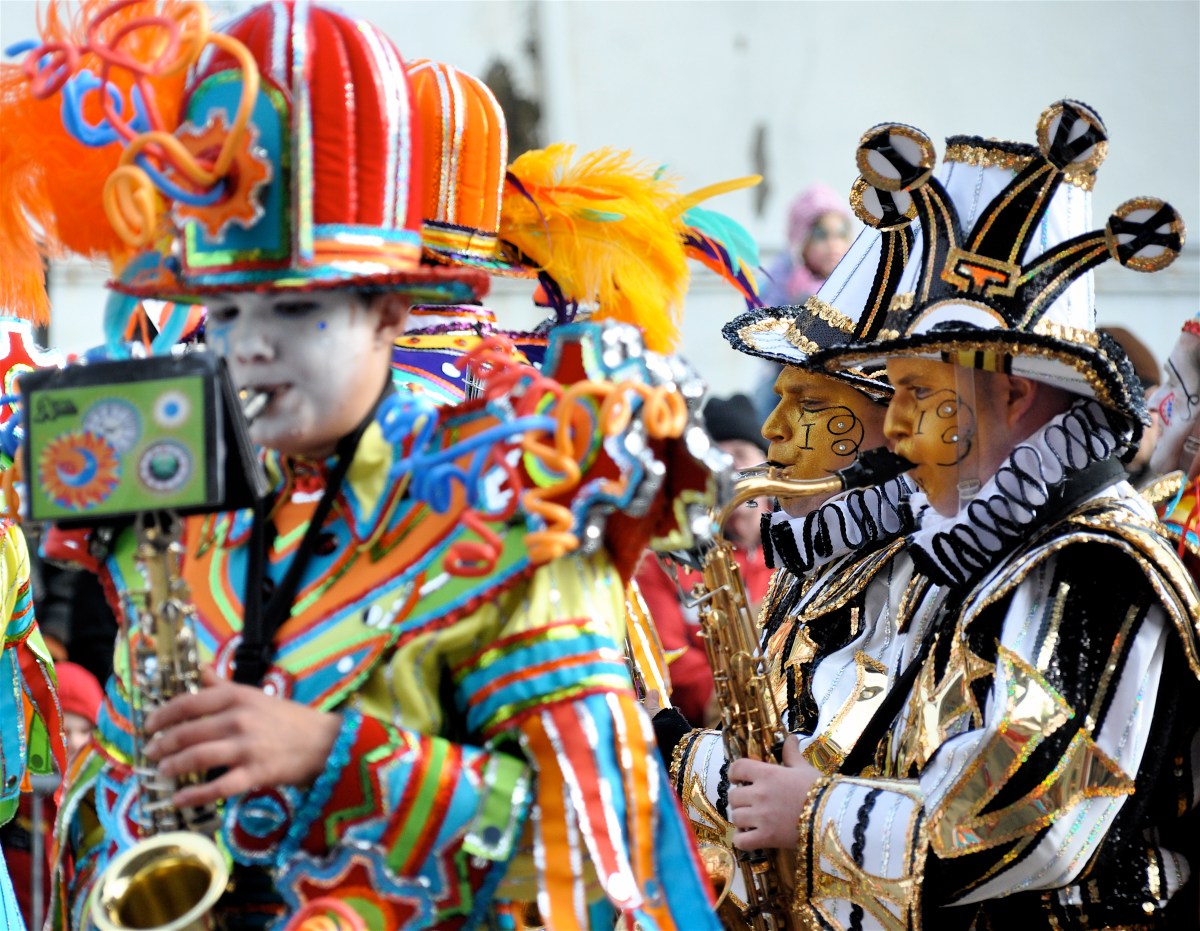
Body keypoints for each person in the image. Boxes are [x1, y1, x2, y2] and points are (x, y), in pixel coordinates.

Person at [7, 4, 722, 928]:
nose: (248, 352)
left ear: (391, 309)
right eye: (224, 317)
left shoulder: (505, 501)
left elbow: (598, 845)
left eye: (294, 310)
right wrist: (128, 787)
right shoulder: (186, 498)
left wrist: (336, 755)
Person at [727, 103, 1198, 928]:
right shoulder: (995, 541)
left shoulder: (1094, 560)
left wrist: (811, 810)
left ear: (1013, 394)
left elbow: (1040, 819)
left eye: (918, 392)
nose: (896, 426)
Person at [659, 174, 919, 919]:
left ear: (887, 422)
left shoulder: (920, 570)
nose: (773, 433)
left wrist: (666, 737)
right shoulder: (815, 558)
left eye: (804, 406)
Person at [635, 393, 773, 726]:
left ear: (767, 468)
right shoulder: (661, 563)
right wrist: (741, 705)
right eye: (716, 458)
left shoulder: (804, 548)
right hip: (704, 733)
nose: (729, 469)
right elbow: (670, 659)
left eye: (739, 455)